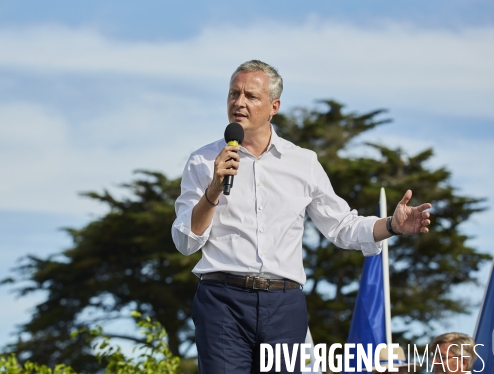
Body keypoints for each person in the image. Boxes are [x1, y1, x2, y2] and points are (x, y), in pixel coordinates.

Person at [171, 60, 432, 374]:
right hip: (222, 302)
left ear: (274, 106)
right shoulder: (203, 160)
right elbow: (185, 241)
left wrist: (391, 225)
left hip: (284, 306)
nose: (239, 102)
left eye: (251, 96)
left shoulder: (303, 163)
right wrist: (213, 189)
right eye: (233, 94)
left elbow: (342, 226)